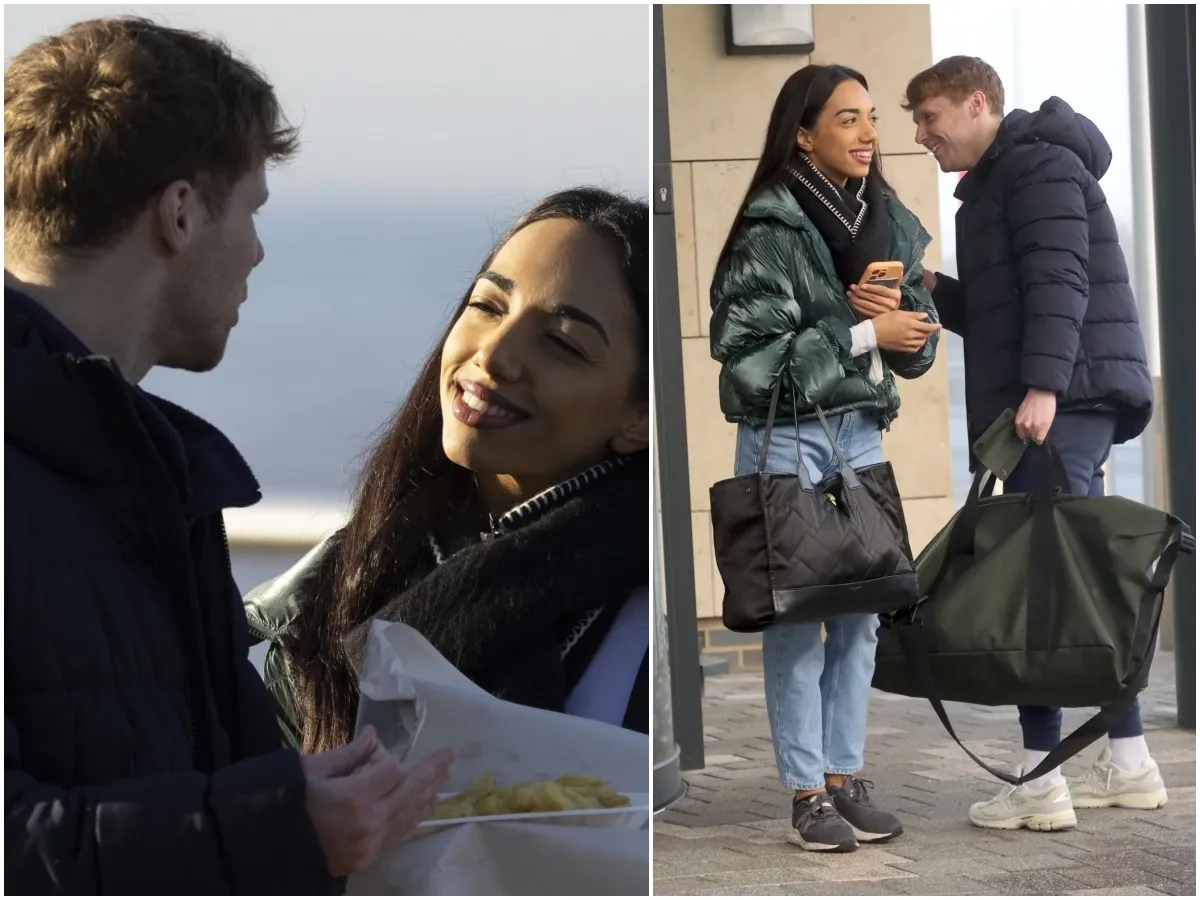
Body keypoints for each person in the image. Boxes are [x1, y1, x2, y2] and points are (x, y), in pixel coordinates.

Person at [4, 18, 453, 894]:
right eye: (250, 211)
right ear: (178, 214)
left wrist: (288, 802)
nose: (255, 250)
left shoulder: (142, 469)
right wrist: (269, 826)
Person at [243, 187, 651, 755]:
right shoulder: (330, 597)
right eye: (487, 306)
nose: (494, 356)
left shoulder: (650, 616)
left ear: (642, 416)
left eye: (561, 343)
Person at [903, 56, 1162, 832]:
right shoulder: (997, 183)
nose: (921, 135)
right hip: (1064, 399)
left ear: (977, 102)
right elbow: (996, 310)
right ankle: (1126, 760)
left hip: (1062, 398)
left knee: (1037, 586)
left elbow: (1061, 280)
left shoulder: (1038, 165)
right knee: (1067, 579)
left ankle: (1041, 779)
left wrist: (1044, 389)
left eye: (929, 117)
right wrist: (922, 288)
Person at [709, 64, 941, 854]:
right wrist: (863, 329)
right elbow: (745, 365)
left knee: (863, 615)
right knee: (798, 615)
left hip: (861, 432)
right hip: (788, 438)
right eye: (848, 119)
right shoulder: (769, 230)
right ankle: (807, 793)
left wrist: (906, 330)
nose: (870, 134)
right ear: (803, 134)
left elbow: (917, 343)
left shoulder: (888, 218)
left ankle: (846, 776)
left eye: (873, 117)